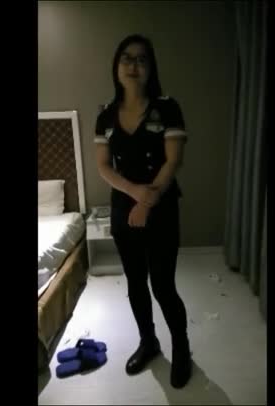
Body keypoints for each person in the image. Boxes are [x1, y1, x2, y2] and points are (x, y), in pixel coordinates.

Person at [94, 34, 191, 388]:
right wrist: (136, 195)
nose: (133, 65)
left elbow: (173, 160)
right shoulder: (105, 113)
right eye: (127, 58)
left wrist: (147, 202)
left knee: (163, 285)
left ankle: (181, 349)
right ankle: (148, 342)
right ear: (116, 66)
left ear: (150, 68)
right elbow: (104, 166)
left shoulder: (168, 107)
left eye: (141, 59)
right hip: (124, 206)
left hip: (161, 206)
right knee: (136, 282)